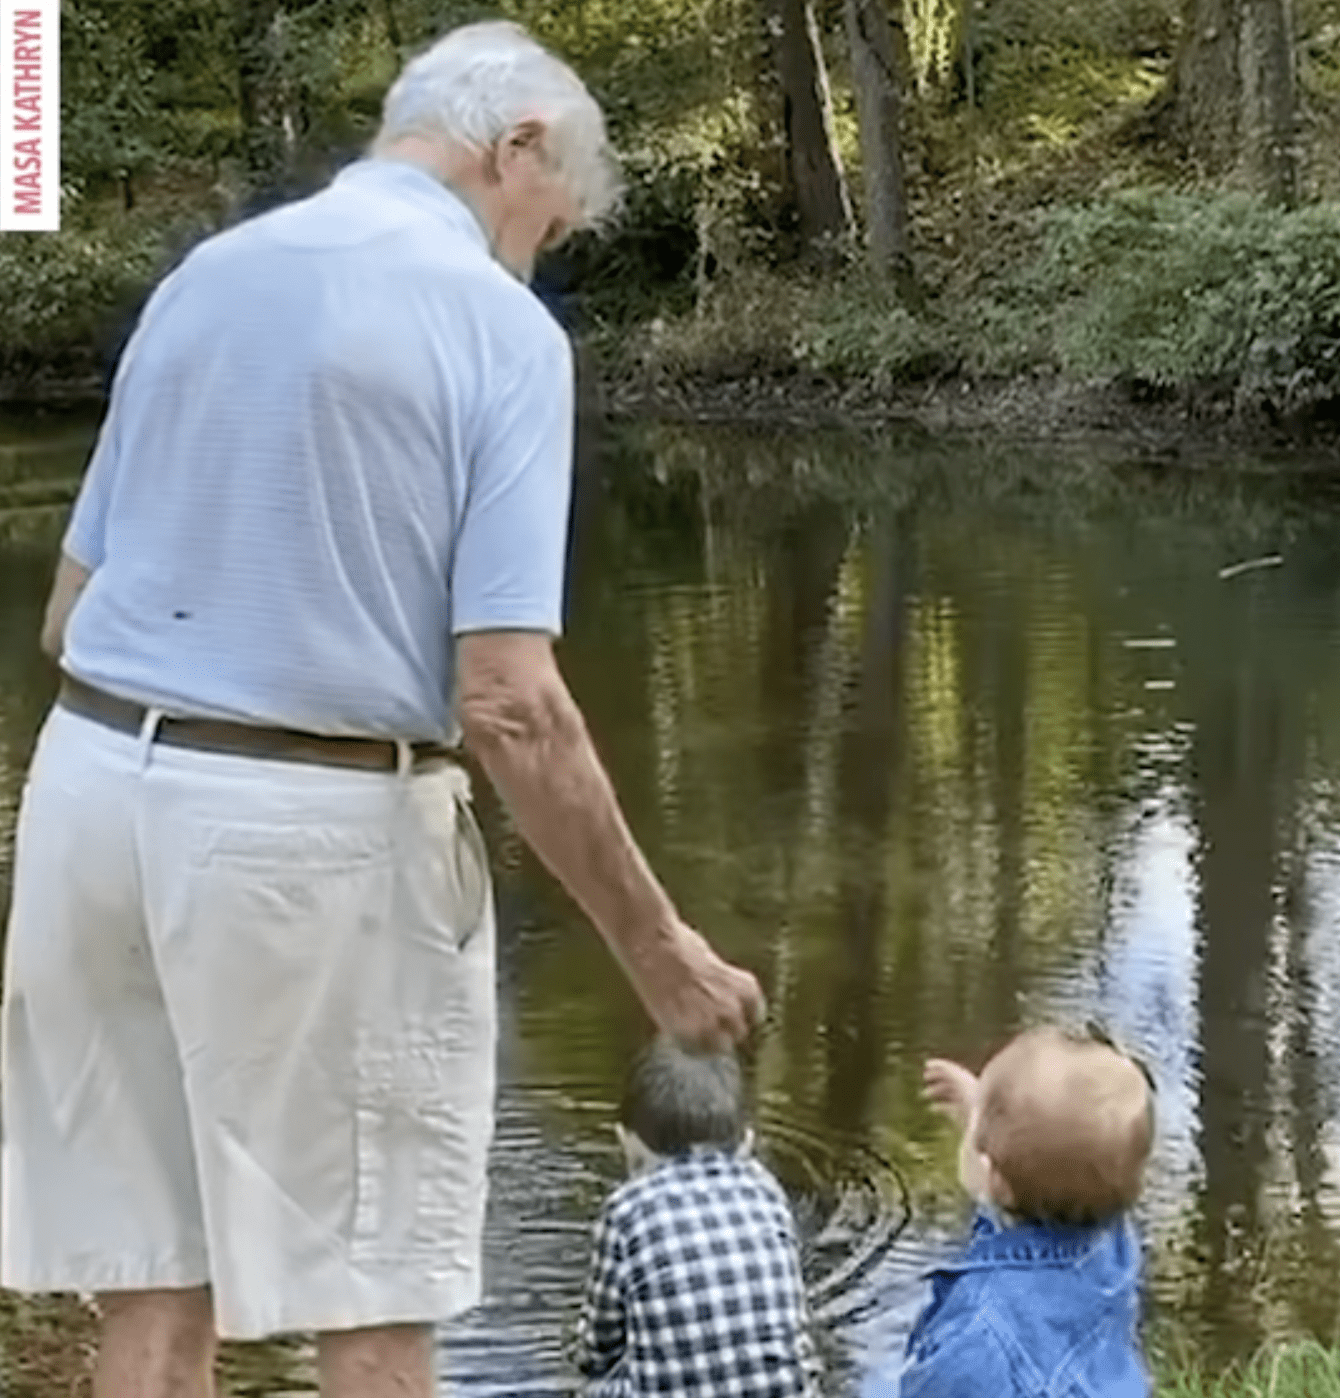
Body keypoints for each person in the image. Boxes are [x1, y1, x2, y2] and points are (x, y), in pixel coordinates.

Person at [0, 20, 764, 1398]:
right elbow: (510, 702)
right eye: (551, 220)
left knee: (155, 1291)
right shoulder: (497, 330)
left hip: (91, 794)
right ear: (513, 142)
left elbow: (67, 614)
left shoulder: (202, 280)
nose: (540, 251)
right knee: (374, 1297)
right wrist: (657, 954)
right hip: (311, 836)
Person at [895, 1027, 1155, 1398]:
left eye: (977, 1130)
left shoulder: (978, 1338)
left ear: (993, 1176)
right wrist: (980, 1113)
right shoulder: (1110, 1237)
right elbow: (1043, 1171)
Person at [571, 1038, 820, 1397]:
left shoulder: (626, 1209)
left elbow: (597, 1349)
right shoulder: (768, 1191)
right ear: (747, 1144)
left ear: (626, 1143)